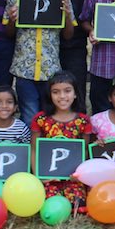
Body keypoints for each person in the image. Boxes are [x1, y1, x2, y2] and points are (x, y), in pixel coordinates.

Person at [3, 0, 76, 122]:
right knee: (30, 116)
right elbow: (9, 33)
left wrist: (67, 15)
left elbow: (68, 35)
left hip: (50, 69)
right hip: (24, 69)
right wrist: (12, 19)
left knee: (50, 117)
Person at [30, 71, 93, 209]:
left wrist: (80, 174)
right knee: (49, 201)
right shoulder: (40, 119)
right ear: (50, 95)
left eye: (67, 91)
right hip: (48, 177)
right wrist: (39, 177)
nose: (62, 96)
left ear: (75, 94)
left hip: (72, 178)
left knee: (78, 203)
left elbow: (84, 150)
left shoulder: (83, 120)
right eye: (56, 92)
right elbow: (34, 149)